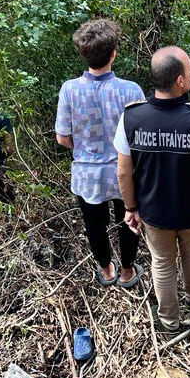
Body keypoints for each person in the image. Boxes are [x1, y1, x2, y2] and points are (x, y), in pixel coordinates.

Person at [115, 46, 190, 332]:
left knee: (162, 263)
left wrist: (131, 208)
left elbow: (123, 172)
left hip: (154, 212)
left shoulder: (131, 119)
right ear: (179, 80)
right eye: (188, 70)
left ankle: (168, 320)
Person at [55, 19, 145, 287]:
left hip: (87, 174)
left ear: (83, 54)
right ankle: (128, 272)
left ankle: (107, 271)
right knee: (130, 220)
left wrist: (82, 146)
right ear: (113, 53)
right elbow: (139, 138)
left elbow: (62, 138)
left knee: (94, 225)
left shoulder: (70, 90)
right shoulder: (131, 90)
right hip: (124, 171)